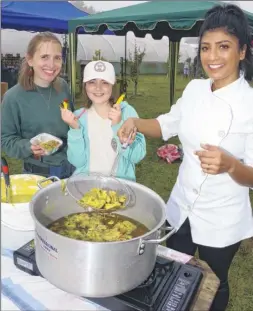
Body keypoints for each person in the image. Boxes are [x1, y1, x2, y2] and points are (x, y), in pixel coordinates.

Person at [117, 4, 253, 311]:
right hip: (181, 208)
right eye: (206, 47)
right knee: (173, 270)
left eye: (224, 47)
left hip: (222, 217)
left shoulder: (250, 104)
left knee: (215, 283)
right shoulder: (194, 89)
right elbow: (166, 124)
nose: (213, 57)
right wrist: (136, 123)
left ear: (242, 51)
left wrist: (230, 164)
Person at [1, 32, 75, 179]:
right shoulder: (13, 97)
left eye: (57, 58)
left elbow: (72, 123)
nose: (52, 64)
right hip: (38, 172)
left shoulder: (63, 87)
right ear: (30, 60)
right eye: (44, 57)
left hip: (71, 166)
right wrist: (29, 146)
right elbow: (5, 140)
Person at [61, 60, 146, 181]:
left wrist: (117, 126)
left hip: (120, 186)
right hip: (87, 186)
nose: (98, 88)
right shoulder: (78, 116)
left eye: (105, 82)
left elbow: (137, 156)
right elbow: (77, 162)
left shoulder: (128, 113)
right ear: (85, 85)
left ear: (112, 85)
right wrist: (75, 129)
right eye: (92, 82)